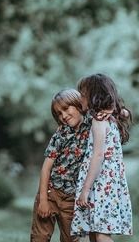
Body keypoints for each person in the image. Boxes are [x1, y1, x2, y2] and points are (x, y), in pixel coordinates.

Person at [71, 74, 133, 242]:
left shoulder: (99, 121)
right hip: (106, 185)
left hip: (100, 185)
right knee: (94, 231)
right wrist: (114, 109)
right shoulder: (110, 117)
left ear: (93, 97)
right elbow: (125, 113)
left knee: (101, 236)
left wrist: (85, 190)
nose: (80, 98)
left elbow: (98, 156)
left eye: (82, 95)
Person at [30, 88, 90, 242]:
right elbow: (46, 168)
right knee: (40, 237)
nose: (63, 116)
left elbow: (108, 110)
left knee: (70, 239)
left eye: (65, 109)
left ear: (78, 103)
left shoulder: (93, 126)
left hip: (72, 198)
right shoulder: (60, 134)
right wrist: (43, 200)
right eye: (58, 113)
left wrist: (121, 112)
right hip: (51, 193)